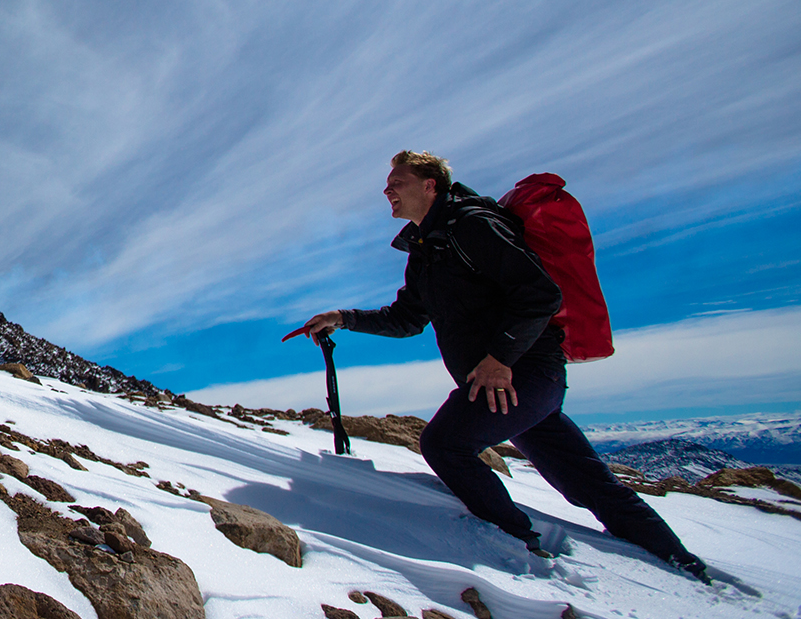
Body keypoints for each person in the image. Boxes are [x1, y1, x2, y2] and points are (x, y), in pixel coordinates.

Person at [293, 151, 709, 581]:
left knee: (445, 445)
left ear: (430, 184)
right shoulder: (425, 250)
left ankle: (516, 543)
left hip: (521, 375)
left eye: (397, 181)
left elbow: (541, 295)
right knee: (588, 483)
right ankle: (684, 564)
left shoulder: (473, 226)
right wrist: (342, 317)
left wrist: (499, 359)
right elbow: (407, 319)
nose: (387, 190)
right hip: (511, 387)